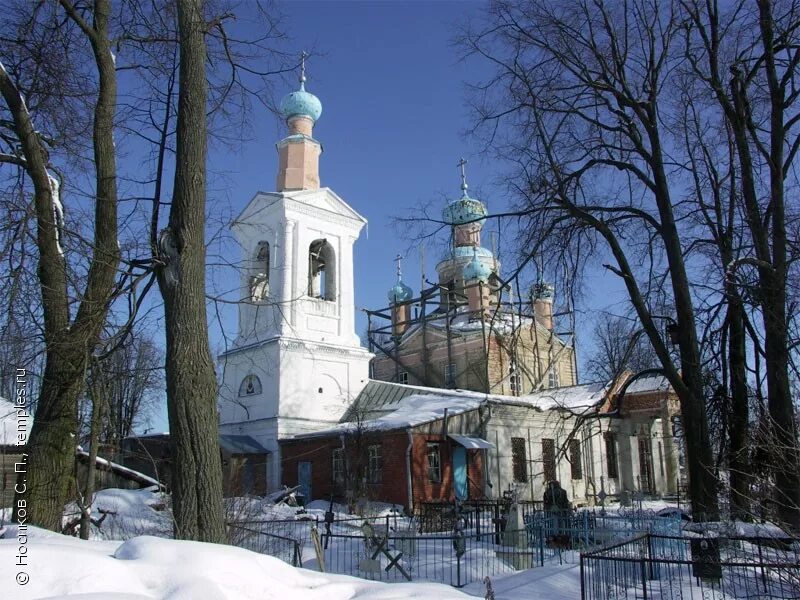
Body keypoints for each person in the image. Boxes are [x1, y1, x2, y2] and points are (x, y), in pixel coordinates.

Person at [543, 480, 572, 548]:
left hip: (551, 513)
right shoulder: (562, 492)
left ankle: (554, 539)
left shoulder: (546, 493)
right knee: (562, 526)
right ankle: (562, 539)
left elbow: (545, 504)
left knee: (553, 526)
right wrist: (567, 509)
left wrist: (548, 508)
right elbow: (565, 502)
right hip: (561, 512)